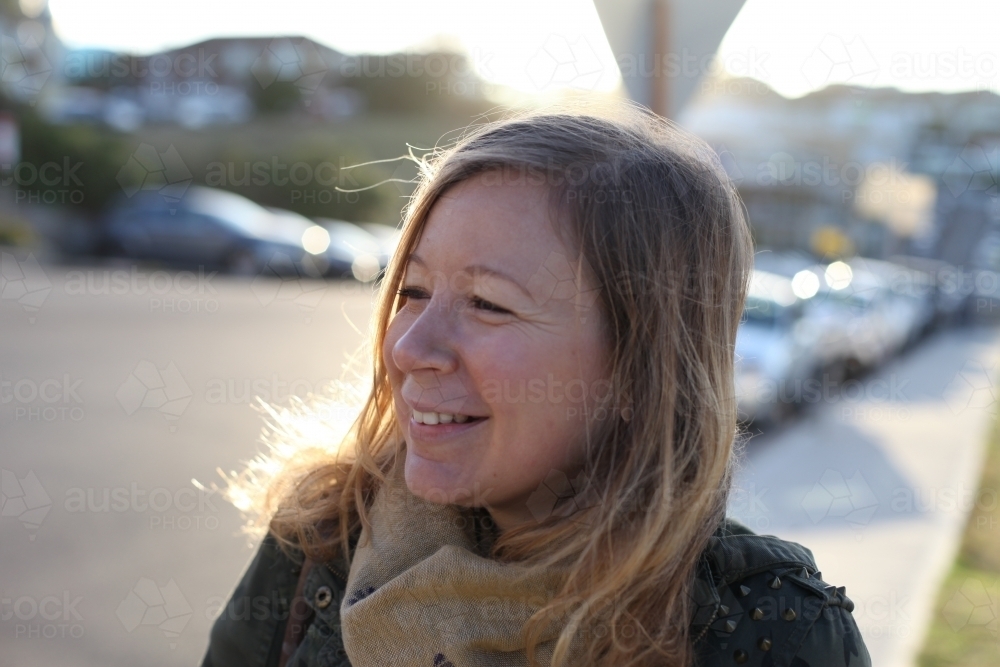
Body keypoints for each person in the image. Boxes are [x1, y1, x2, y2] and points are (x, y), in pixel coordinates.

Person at [201, 104, 871, 667]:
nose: (408, 348)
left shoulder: (774, 633)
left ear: (643, 367)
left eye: (488, 303)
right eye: (413, 289)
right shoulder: (323, 538)